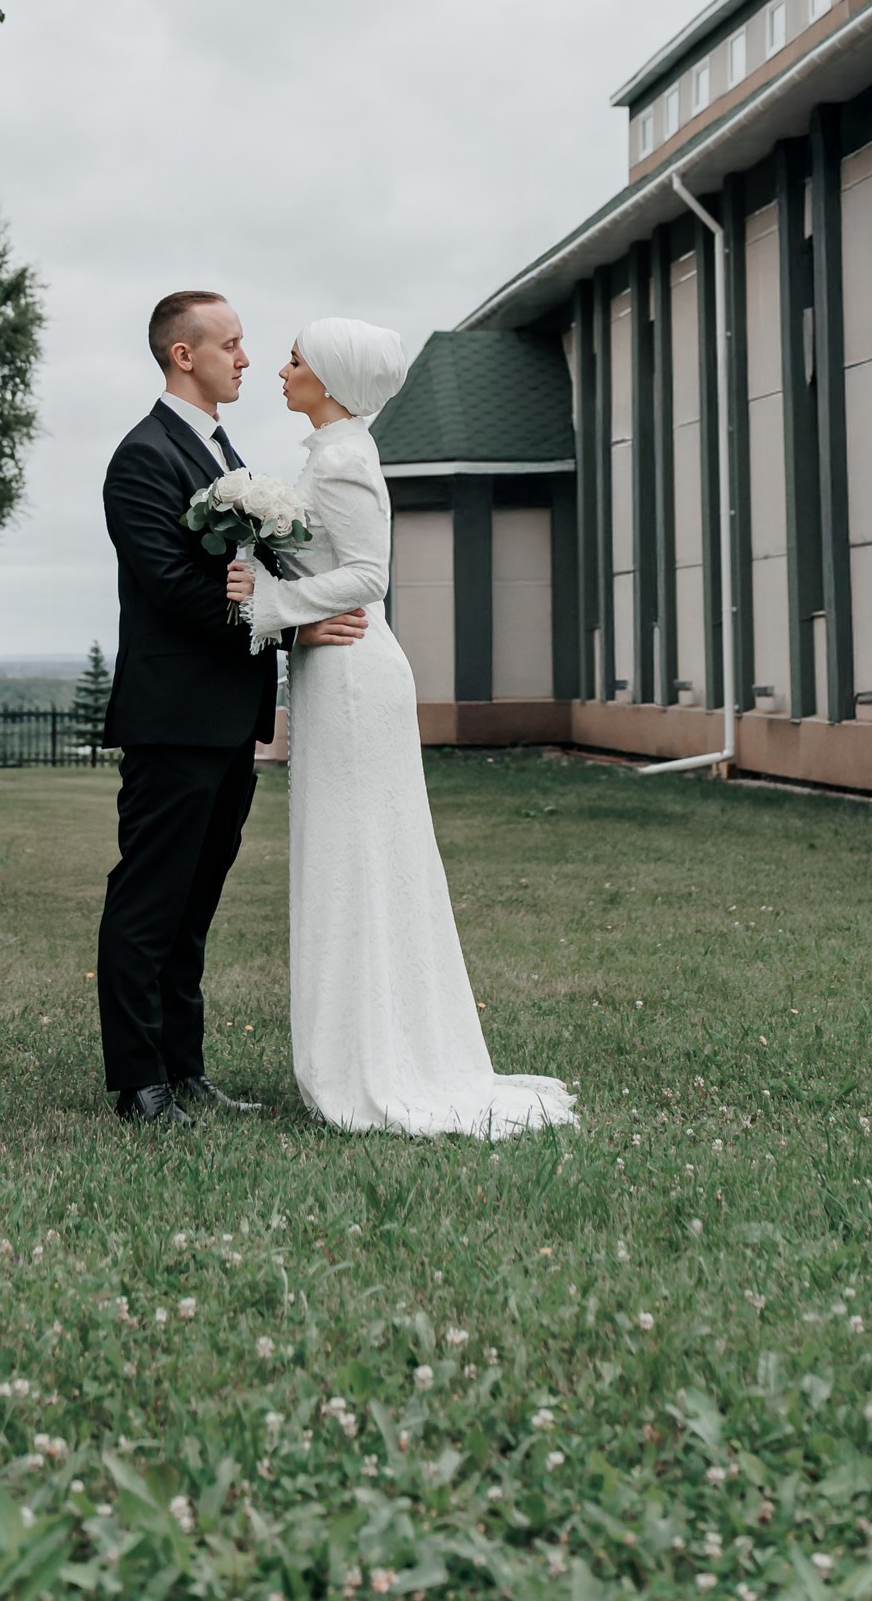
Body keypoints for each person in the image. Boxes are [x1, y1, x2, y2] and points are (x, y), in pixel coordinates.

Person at [229, 317, 576, 1138]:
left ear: (332, 377)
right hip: (332, 669)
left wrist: (271, 605)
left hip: (353, 673)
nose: (281, 369)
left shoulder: (346, 460)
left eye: (295, 360)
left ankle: (375, 1057)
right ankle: (360, 1040)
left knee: (358, 855)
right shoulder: (329, 453)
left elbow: (368, 576)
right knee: (349, 851)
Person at [96, 290, 367, 1126]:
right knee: (148, 904)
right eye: (233, 343)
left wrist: (290, 610)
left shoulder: (220, 452)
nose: (247, 358)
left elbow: (251, 570)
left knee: (193, 906)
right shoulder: (143, 458)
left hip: (224, 720)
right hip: (172, 716)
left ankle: (185, 1069)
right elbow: (178, 590)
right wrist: (296, 627)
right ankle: (138, 1084)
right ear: (185, 355)